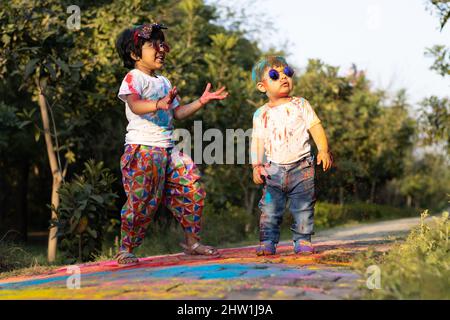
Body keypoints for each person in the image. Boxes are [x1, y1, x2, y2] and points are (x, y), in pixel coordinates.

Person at [115, 23, 228, 264]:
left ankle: (192, 242)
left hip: (167, 148)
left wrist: (201, 101)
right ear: (135, 54)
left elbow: (177, 113)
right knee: (142, 200)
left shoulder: (164, 82)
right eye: (153, 45)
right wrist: (158, 104)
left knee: (192, 186)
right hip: (143, 149)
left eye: (162, 43)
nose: (161, 49)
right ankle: (126, 249)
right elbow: (135, 105)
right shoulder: (133, 77)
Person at [250, 56, 333, 255]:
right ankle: (268, 241)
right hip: (272, 169)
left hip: (302, 167)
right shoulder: (260, 114)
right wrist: (256, 165)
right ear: (263, 87)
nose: (283, 78)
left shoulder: (301, 104)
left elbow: (315, 127)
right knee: (270, 209)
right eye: (274, 75)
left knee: (303, 207)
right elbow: (258, 141)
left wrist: (323, 150)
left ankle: (303, 240)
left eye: (287, 73)